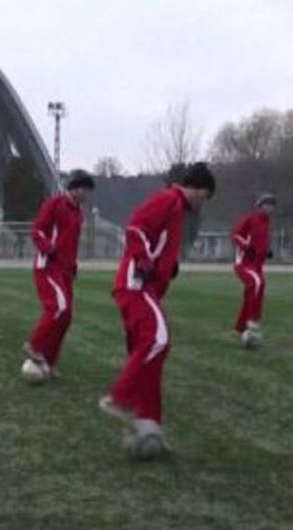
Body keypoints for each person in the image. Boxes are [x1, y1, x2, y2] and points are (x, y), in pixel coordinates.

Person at [98, 163, 216, 456]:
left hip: (145, 287)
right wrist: (145, 263)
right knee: (158, 340)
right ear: (195, 188)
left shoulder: (177, 209)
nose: (201, 204)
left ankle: (148, 423)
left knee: (151, 356)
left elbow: (157, 241)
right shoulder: (169, 200)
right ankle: (120, 397)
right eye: (203, 197)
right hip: (136, 285)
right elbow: (136, 228)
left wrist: (167, 265)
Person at [23, 171, 94, 379]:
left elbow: (71, 242)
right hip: (48, 266)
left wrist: (73, 265)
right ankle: (33, 345)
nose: (87, 195)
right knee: (58, 307)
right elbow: (37, 231)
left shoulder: (79, 213)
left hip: (65, 271)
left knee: (66, 316)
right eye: (85, 190)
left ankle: (50, 360)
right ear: (75, 188)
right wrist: (49, 249)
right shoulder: (55, 204)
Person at [231, 194, 274, 342]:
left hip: (257, 265)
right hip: (243, 263)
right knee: (257, 283)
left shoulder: (267, 223)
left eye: (272, 205)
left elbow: (260, 245)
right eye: (267, 204)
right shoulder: (250, 219)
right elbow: (236, 235)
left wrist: (266, 252)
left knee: (251, 292)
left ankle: (239, 328)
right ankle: (253, 320)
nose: (270, 208)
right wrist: (247, 246)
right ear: (259, 206)